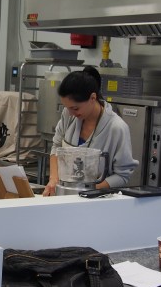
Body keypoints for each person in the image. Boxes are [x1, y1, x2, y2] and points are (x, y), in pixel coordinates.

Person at [42, 66, 138, 196]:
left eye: (75, 109)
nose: (70, 113)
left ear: (93, 98)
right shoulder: (68, 115)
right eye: (67, 108)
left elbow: (122, 176)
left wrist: (88, 191)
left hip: (98, 200)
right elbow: (57, 147)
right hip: (66, 196)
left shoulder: (117, 128)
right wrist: (53, 179)